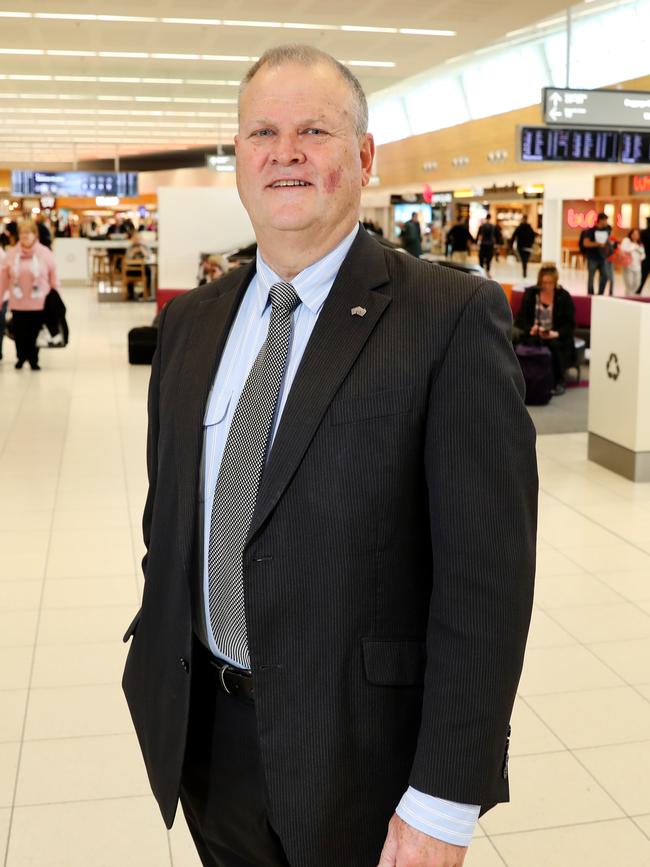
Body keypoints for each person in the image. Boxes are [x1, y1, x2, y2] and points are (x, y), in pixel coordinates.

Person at [122, 44, 537, 867]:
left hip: (361, 760)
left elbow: (485, 583)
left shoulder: (448, 318)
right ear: (236, 156)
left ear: (364, 155)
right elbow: (166, 519)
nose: (286, 152)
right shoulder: (192, 324)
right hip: (206, 742)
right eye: (262, 132)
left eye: (314, 129)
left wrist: (444, 799)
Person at [0, 218, 58, 370]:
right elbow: (4, 278)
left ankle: (33, 359)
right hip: (18, 301)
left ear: (35, 235)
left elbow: (53, 276)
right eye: (22, 233)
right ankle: (21, 357)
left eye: (28, 233)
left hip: (38, 301)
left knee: (35, 331)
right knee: (19, 332)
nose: (25, 236)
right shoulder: (12, 254)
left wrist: (56, 296)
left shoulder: (45, 253)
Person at [514, 263, 576, 396]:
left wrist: (556, 333)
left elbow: (569, 324)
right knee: (520, 343)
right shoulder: (531, 294)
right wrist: (530, 329)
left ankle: (559, 381)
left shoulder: (563, 296)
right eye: (544, 282)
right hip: (534, 333)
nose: (546, 286)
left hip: (555, 335)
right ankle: (520, 380)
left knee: (554, 345)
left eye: (550, 283)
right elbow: (521, 318)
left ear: (555, 282)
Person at [582, 213, 615, 295]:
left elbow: (610, 240)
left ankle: (600, 293)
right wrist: (598, 244)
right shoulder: (590, 231)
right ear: (600, 220)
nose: (606, 222)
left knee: (605, 276)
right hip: (592, 257)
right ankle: (590, 294)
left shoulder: (607, 230)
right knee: (591, 278)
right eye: (605, 220)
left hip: (603, 258)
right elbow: (585, 243)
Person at [123, 232, 152, 300]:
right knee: (127, 271)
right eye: (135, 239)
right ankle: (130, 293)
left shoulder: (144, 246)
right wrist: (133, 252)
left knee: (149, 271)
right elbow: (127, 259)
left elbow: (149, 256)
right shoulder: (130, 247)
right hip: (132, 268)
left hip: (143, 268)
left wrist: (143, 250)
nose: (137, 240)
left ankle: (147, 291)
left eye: (139, 239)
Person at [620, 228, 646, 295]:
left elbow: (643, 255)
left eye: (637, 234)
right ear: (630, 234)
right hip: (628, 266)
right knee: (629, 283)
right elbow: (623, 250)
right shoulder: (627, 241)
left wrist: (641, 257)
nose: (635, 236)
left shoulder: (640, 244)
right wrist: (634, 247)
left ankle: (631, 295)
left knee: (637, 283)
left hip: (637, 266)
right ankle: (628, 297)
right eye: (634, 234)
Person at [636, 217, 650, 294]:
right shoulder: (643, 232)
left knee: (643, 276)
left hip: (646, 258)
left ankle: (638, 290)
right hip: (645, 258)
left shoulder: (643, 232)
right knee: (643, 276)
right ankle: (638, 291)